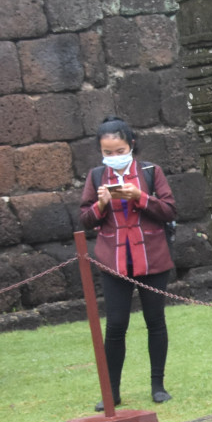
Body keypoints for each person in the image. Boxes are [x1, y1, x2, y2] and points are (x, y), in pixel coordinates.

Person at [78, 117, 177, 407]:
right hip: (114, 262)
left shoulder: (150, 171)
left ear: (130, 145)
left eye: (118, 150)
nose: (113, 157)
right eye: (107, 152)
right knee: (116, 325)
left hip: (152, 258)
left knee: (155, 322)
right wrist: (102, 204)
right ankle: (113, 391)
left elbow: (170, 209)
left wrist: (141, 197)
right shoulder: (97, 176)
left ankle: (158, 386)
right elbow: (84, 219)